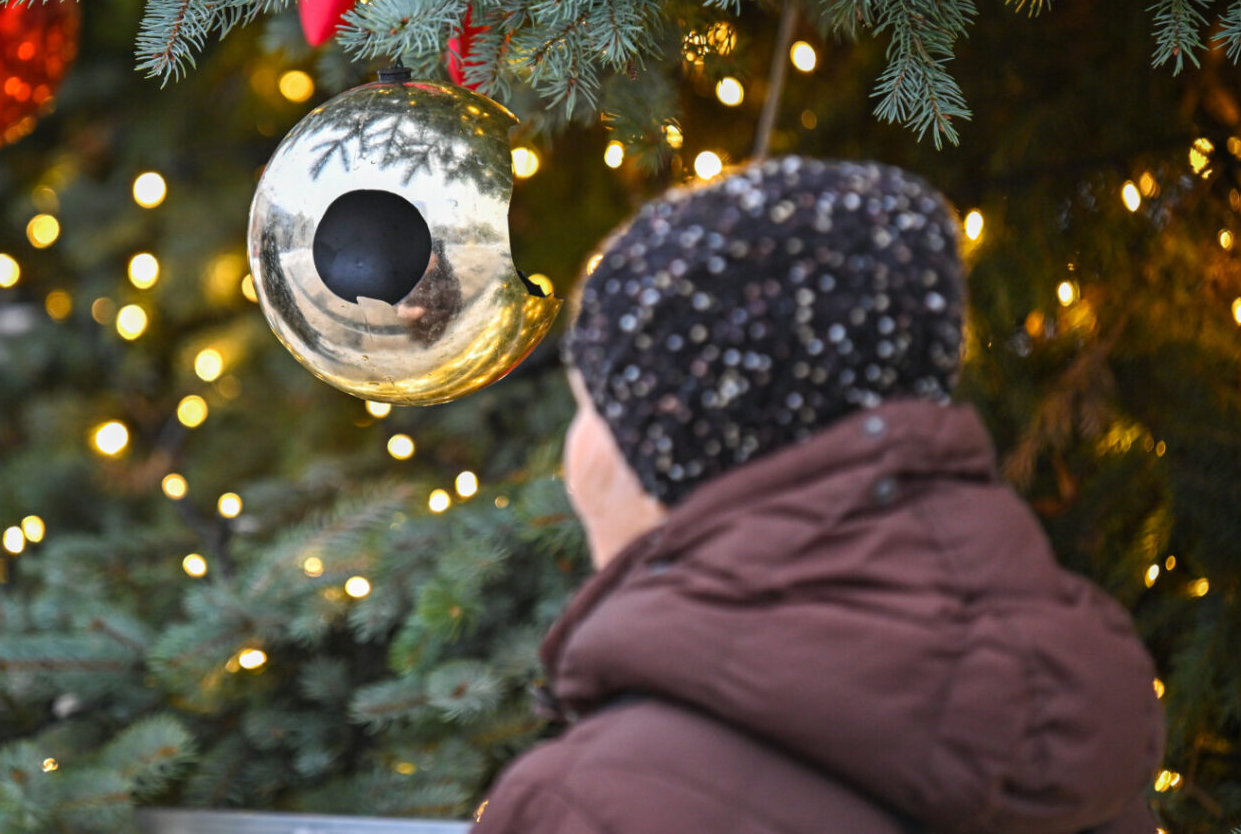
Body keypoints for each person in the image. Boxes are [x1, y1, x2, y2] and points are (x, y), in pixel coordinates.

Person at [473, 157, 1163, 834]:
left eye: (589, 405)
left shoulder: (585, 806)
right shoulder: (1076, 738)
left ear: (677, 453)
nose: (572, 455)